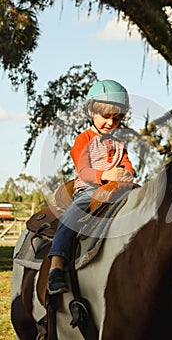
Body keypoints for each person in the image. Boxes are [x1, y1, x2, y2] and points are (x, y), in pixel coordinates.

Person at [47, 79, 134, 294]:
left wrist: (127, 174)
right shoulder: (83, 139)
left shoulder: (119, 143)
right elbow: (83, 171)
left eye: (116, 118)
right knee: (73, 215)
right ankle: (56, 266)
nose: (110, 123)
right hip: (89, 189)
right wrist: (106, 174)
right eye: (105, 116)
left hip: (118, 189)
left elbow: (127, 165)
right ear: (90, 110)